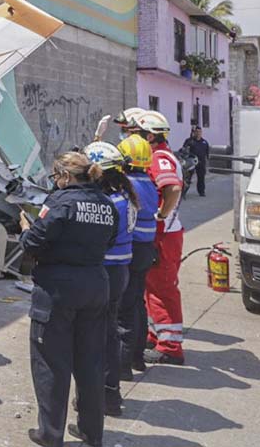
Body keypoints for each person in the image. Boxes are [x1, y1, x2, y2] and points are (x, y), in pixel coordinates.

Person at [19, 152, 120, 447]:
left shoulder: (60, 202)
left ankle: (50, 434)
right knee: (90, 361)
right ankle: (92, 432)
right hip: (95, 284)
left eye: (55, 177)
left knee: (51, 361)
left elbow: (34, 242)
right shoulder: (106, 204)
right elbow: (110, 240)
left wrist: (26, 228)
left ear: (64, 176)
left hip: (58, 289)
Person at [80, 142, 136, 417]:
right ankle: (109, 395)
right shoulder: (124, 196)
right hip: (120, 270)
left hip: (106, 271)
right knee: (108, 331)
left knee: (97, 336)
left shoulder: (108, 203)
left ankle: (101, 396)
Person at [136, 110, 186, 366]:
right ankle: (156, 336)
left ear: (151, 136)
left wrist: (159, 216)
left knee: (162, 289)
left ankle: (170, 346)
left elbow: (173, 188)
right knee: (151, 289)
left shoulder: (160, 158)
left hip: (163, 236)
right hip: (164, 234)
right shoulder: (160, 155)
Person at [116, 135, 159, 380]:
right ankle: (137, 357)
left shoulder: (127, 185)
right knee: (136, 303)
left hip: (130, 250)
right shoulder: (148, 183)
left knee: (122, 310)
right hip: (145, 249)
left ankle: (122, 365)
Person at [181, 126, 211, 197]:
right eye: (196, 132)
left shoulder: (204, 142)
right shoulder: (189, 141)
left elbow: (207, 154)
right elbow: (183, 150)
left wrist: (207, 162)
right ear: (193, 132)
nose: (198, 133)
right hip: (191, 162)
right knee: (187, 178)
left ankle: (201, 191)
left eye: (199, 132)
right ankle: (183, 192)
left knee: (201, 178)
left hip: (201, 162)